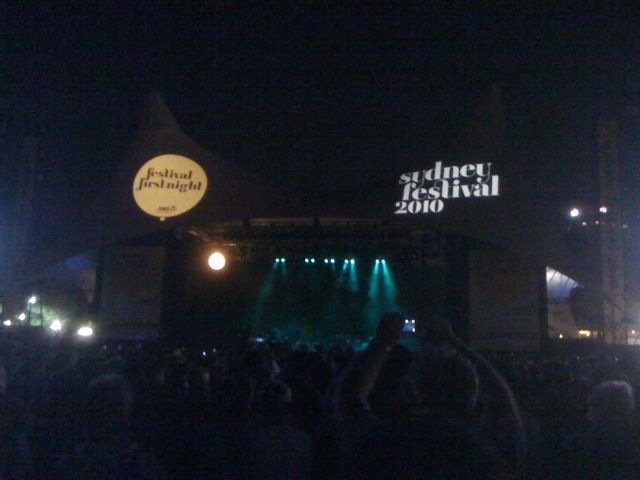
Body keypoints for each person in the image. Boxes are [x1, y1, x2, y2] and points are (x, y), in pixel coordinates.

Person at [338, 312, 525, 479]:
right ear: (473, 397)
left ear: (409, 392)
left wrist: (382, 342)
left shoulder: (380, 444)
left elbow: (350, 399)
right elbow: (505, 407)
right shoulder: (485, 456)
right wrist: (454, 341)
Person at [560, 380, 640, 479]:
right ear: (627, 409)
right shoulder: (633, 447)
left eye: (590, 404)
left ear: (595, 408)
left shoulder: (575, 446)